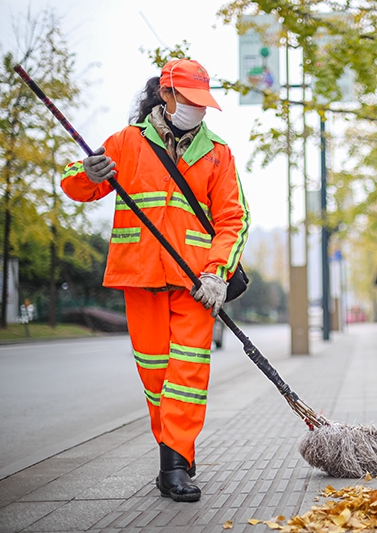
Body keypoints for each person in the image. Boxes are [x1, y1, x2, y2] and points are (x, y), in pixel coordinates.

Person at [60, 59, 250, 502]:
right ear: (166, 96)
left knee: (186, 373)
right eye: (191, 100)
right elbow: (76, 183)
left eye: (204, 103)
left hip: (194, 284)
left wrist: (216, 273)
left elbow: (233, 219)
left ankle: (173, 466)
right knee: (155, 374)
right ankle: (177, 450)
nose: (199, 110)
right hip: (140, 276)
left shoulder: (218, 152)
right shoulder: (126, 143)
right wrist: (87, 173)